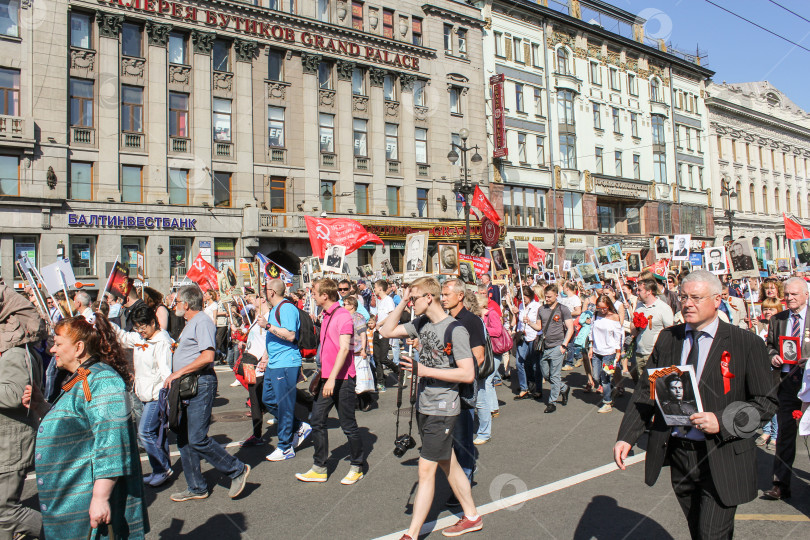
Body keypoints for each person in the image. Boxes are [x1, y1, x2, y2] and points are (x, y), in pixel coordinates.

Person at [614, 270, 777, 539]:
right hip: (680, 452)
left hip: (722, 454)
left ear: (717, 300)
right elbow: (646, 391)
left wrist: (723, 420)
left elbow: (765, 403)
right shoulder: (669, 338)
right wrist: (627, 437)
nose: (687, 303)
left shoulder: (745, 343)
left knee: (712, 533)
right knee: (698, 530)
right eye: (683, 297)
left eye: (695, 297)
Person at [23, 315, 149, 539]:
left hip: (85, 502)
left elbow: (111, 444)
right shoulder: (83, 377)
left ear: (79, 347)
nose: (53, 350)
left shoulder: (103, 381)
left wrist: (100, 498)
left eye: (59, 344)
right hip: (72, 497)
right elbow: (73, 422)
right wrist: (40, 405)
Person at [379, 276, 482, 539]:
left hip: (444, 407)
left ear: (429, 298)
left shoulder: (455, 330)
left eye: (414, 298)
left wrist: (423, 369)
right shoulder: (421, 323)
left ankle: (411, 534)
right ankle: (471, 515)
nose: (412, 302)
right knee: (449, 463)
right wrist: (402, 301)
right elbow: (386, 331)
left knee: (426, 470)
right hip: (425, 404)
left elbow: (468, 373)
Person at [164, 285, 251, 502]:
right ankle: (196, 487)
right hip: (188, 384)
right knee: (184, 438)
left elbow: (207, 356)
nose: (174, 306)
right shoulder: (190, 323)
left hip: (200, 383)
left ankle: (236, 469)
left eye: (176, 302)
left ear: (186, 304)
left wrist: (178, 373)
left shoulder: (201, 321)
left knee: (197, 438)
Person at [296, 279, 366, 484]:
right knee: (317, 420)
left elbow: (345, 349)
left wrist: (331, 379)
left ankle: (357, 465)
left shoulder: (343, 315)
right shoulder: (326, 315)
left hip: (342, 380)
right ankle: (319, 467)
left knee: (348, 425)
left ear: (325, 295)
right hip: (327, 376)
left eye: (315, 292)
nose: (312, 295)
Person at [0, 285, 46, 539]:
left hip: (10, 444)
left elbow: (16, 395)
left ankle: (69, 532)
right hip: (4, 443)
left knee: (6, 512)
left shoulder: (16, 354)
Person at [112, 305, 174, 486]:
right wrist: (101, 321)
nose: (141, 331)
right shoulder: (140, 338)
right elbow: (122, 338)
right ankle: (159, 470)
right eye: (137, 327)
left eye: (143, 327)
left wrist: (166, 399)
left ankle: (163, 468)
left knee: (145, 432)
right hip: (145, 394)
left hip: (157, 396)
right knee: (156, 434)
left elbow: (166, 372)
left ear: (153, 323)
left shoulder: (162, 341)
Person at [762, 277, 809, 501]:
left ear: (806, 295)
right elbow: (769, 345)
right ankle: (780, 484)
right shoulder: (778, 319)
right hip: (787, 383)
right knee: (785, 434)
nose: (789, 298)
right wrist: (773, 357)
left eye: (794, 294)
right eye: (787, 294)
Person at [257, 278, 312, 461]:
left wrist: (268, 326)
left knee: (284, 405)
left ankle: (285, 447)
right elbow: (273, 338)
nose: (264, 292)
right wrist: (265, 357)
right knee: (268, 399)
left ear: (272, 292)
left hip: (286, 363)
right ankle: (299, 426)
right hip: (274, 362)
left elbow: (290, 335)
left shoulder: (286, 308)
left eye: (266, 289)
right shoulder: (274, 310)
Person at [441, 280, 486, 483]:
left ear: (460, 296)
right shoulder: (444, 320)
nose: (442, 299)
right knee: (449, 438)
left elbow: (479, 356)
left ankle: (464, 480)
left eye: (446, 295)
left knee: (462, 439)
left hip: (463, 389)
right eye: (442, 295)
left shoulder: (471, 320)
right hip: (447, 388)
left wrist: (460, 377)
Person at [524, 284, 574, 413]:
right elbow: (539, 327)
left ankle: (552, 403)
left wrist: (564, 345)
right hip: (545, 347)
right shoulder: (542, 309)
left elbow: (570, 328)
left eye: (550, 297)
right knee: (546, 374)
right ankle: (563, 388)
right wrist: (529, 322)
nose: (547, 299)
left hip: (558, 346)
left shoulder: (563, 309)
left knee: (555, 375)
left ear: (556, 295)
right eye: (546, 296)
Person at [630, 278, 674, 384]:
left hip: (654, 354)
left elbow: (670, 332)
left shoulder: (663, 308)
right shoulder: (639, 306)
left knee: (655, 385)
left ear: (649, 291)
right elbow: (634, 330)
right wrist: (634, 326)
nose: (637, 292)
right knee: (642, 385)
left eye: (640, 290)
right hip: (640, 351)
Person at [589, 295, 623, 413]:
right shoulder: (595, 315)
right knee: (596, 376)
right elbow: (591, 331)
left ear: (609, 306)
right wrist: (590, 347)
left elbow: (618, 335)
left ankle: (607, 402)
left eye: (605, 308)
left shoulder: (614, 317)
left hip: (609, 351)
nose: (602, 310)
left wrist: (618, 351)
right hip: (597, 350)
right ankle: (611, 389)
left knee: (605, 378)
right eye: (600, 307)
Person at [513, 286, 542, 400]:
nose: (523, 298)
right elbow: (520, 321)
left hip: (533, 336)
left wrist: (529, 322)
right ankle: (524, 388)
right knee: (519, 362)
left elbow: (539, 324)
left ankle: (538, 388)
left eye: (525, 296)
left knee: (535, 365)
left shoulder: (537, 306)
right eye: (522, 296)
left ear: (530, 295)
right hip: (523, 336)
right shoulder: (521, 306)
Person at [372, 279, 399, 391]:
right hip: (377, 332)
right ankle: (380, 382)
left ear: (380, 288)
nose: (374, 289)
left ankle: (398, 370)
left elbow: (392, 316)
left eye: (375, 287)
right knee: (377, 359)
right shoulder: (380, 301)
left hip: (384, 332)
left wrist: (380, 323)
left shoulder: (388, 300)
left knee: (383, 358)